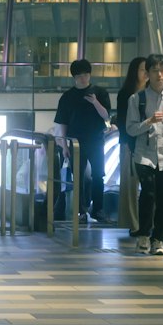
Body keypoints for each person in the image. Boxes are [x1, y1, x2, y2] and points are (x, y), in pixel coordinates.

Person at [53, 57, 113, 223]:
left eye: (86, 74)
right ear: (74, 77)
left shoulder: (100, 93)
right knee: (77, 176)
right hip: (75, 142)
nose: (83, 78)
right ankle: (80, 212)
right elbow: (62, 122)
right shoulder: (67, 97)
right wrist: (63, 144)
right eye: (79, 75)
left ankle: (98, 209)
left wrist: (95, 102)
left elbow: (107, 115)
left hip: (96, 139)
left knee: (98, 175)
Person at [127, 52, 163, 255]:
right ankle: (144, 235)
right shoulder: (137, 99)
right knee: (149, 193)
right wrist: (149, 121)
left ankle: (158, 239)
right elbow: (130, 129)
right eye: (154, 70)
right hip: (144, 154)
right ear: (147, 73)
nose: (159, 74)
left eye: (162, 70)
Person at [117, 55, 147, 236]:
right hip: (129, 144)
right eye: (143, 69)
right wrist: (127, 142)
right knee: (130, 186)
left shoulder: (155, 94)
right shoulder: (126, 94)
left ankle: (146, 223)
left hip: (149, 144)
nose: (146, 73)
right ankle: (134, 224)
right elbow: (122, 121)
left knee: (150, 187)